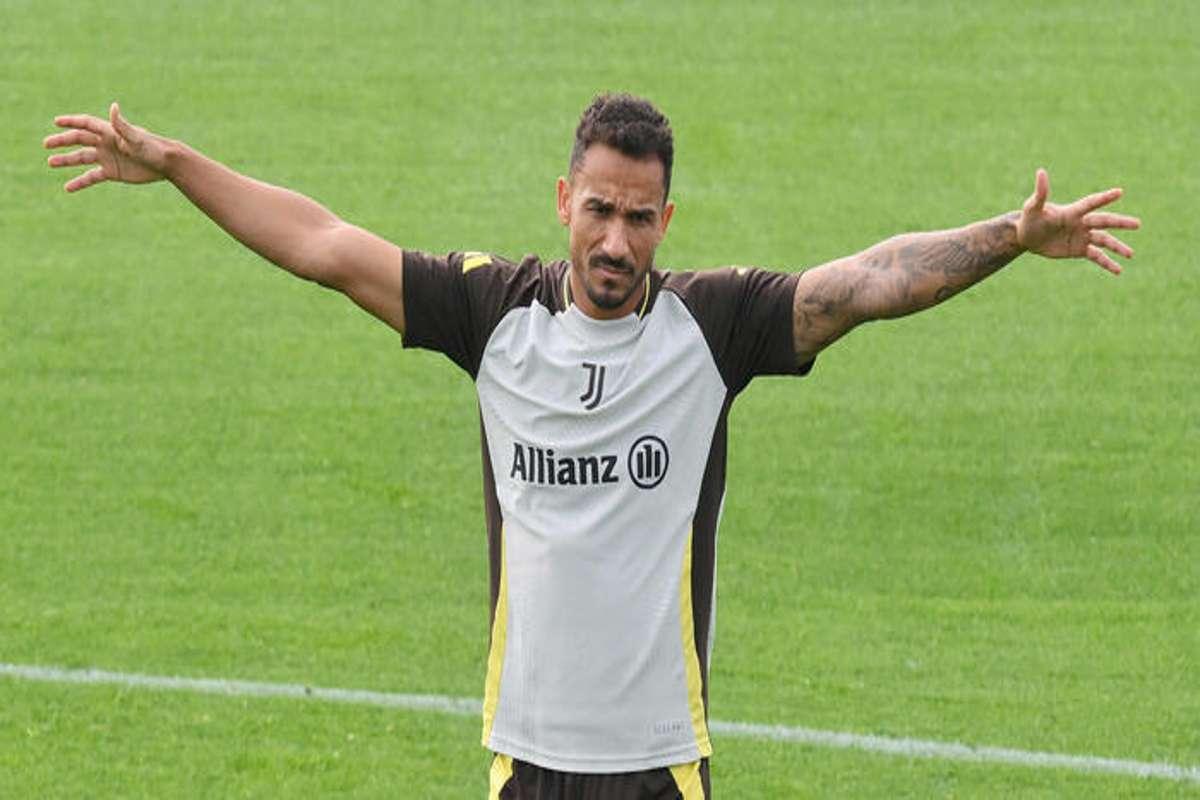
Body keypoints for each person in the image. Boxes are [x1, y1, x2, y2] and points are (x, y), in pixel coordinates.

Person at [45, 93, 1139, 800]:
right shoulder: (493, 315)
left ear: (668, 219)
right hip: (524, 760)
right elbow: (325, 246)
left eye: (641, 217)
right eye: (600, 211)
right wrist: (179, 163)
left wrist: (1011, 236)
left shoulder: (713, 328)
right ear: (566, 200)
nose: (617, 240)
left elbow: (861, 284)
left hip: (661, 764)